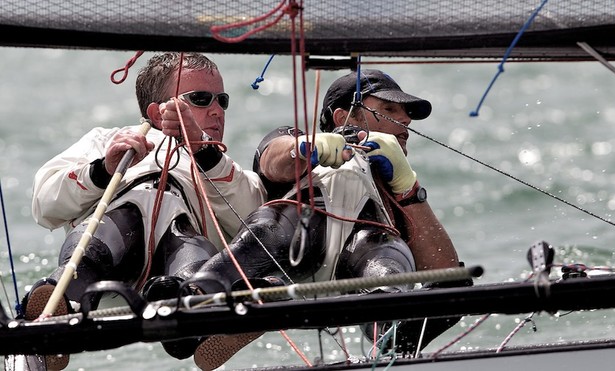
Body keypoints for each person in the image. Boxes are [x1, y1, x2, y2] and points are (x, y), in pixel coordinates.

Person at [179, 69, 469, 370]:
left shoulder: (396, 187)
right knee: (268, 230)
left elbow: (443, 272)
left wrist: (409, 187)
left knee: (397, 270)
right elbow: (271, 161)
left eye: (406, 113)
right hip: (297, 236)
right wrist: (309, 147)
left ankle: (389, 328)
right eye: (390, 109)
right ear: (345, 117)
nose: (406, 120)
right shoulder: (294, 140)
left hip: (360, 254)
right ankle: (199, 299)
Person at [24, 52, 266, 370]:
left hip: (181, 255)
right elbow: (44, 204)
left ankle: (192, 322)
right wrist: (102, 171)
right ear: (156, 111)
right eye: (201, 98)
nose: (217, 110)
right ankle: (58, 303)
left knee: (189, 246)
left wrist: (204, 153)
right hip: (109, 248)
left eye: (222, 100)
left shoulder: (219, 164)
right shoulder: (106, 140)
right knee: (108, 230)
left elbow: (256, 217)